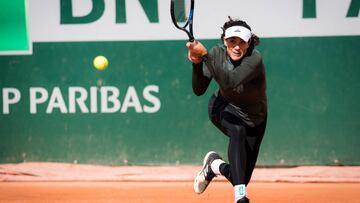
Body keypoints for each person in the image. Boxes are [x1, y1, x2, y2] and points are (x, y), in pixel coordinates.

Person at [186, 17, 267, 203]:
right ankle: (240, 197)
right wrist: (197, 64)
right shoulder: (217, 53)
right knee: (237, 131)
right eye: (232, 41)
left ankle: (214, 165)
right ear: (224, 40)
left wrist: (205, 56)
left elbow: (230, 81)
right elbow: (199, 90)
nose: (237, 47)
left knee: (241, 177)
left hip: (256, 118)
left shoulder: (255, 59)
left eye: (242, 42)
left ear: (249, 43)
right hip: (222, 107)